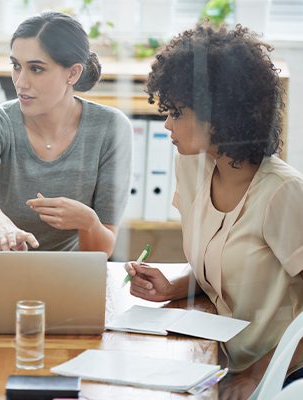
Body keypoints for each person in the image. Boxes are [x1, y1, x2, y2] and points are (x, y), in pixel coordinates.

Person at [124, 23, 303, 399]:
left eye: (177, 112)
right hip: (219, 359)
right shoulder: (192, 167)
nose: (167, 123)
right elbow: (226, 262)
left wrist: (258, 374)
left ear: (219, 115)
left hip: (279, 373)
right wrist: (173, 285)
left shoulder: (282, 194)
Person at [0, 11, 132, 253]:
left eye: (36, 69)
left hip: (60, 274)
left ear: (73, 73)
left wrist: (88, 222)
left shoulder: (111, 129)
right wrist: (2, 227)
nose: (20, 82)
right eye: (16, 66)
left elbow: (102, 251)